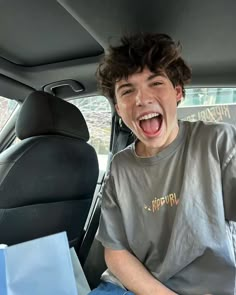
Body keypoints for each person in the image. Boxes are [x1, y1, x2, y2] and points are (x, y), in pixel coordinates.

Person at [88, 33, 236, 295]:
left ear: (177, 92)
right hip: (128, 286)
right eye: (127, 90)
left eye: (155, 83)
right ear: (119, 109)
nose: (141, 99)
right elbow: (115, 251)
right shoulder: (121, 167)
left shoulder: (217, 141)